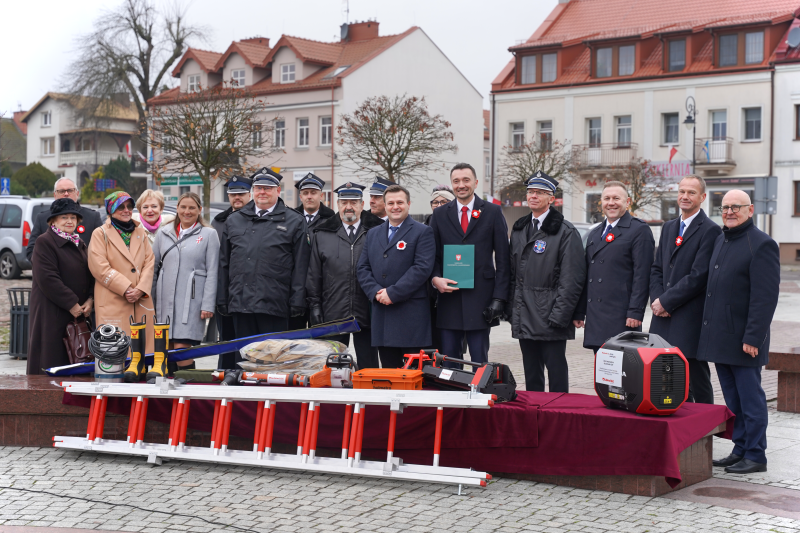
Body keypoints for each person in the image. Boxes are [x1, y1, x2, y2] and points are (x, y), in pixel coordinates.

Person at [699, 190, 780, 475]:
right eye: (725, 207)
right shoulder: (722, 239)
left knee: (751, 400)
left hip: (745, 340)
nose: (730, 212)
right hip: (722, 337)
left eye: (736, 207)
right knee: (734, 400)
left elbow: (764, 298)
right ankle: (740, 448)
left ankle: (756, 455)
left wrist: (753, 337)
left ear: (750, 210)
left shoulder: (762, 244)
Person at [508, 172, 586, 392]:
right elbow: (513, 273)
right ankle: (534, 409)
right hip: (524, 312)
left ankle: (558, 410)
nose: (534, 196)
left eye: (540, 193)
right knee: (531, 372)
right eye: (531, 192)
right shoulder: (520, 228)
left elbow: (572, 279)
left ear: (551, 199)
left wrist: (560, 316)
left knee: (556, 371)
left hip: (550, 315)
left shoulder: (565, 231)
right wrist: (511, 309)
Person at [217, 167, 309, 351]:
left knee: (272, 358)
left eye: (268, 188)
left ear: (278, 190)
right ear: (253, 191)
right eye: (258, 188)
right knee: (243, 359)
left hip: (275, 304)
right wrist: (222, 298)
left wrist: (298, 300)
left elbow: (301, 265)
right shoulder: (234, 220)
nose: (262, 192)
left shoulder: (294, 221)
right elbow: (224, 263)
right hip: (241, 303)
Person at [649, 175, 721, 404]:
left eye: (691, 192)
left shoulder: (710, 230)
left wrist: (666, 302)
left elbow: (699, 276)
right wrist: (657, 300)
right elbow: (657, 268)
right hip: (662, 316)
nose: (685, 196)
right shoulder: (669, 227)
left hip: (689, 317)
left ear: (702, 197)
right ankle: (676, 418)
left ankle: (705, 421)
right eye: (682, 191)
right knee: (667, 377)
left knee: (696, 376)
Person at [429, 163, 510, 365]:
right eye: (456, 181)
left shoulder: (492, 212)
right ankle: (453, 385)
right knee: (449, 359)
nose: (461, 185)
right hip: (449, 297)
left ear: (475, 182)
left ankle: (479, 387)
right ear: (452, 184)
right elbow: (432, 255)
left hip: (481, 298)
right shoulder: (439, 214)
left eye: (466, 180)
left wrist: (499, 298)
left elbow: (503, 259)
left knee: (479, 360)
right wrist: (435, 279)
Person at [357, 184, 435, 368]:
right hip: (383, 316)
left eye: (400, 202)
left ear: (408, 204)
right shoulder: (373, 233)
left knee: (414, 374)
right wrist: (376, 292)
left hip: (411, 316)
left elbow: (422, 268)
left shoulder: (422, 231)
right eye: (390, 203)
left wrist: (393, 293)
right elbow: (362, 267)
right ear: (385, 206)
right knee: (389, 374)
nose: (395, 207)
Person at [306, 182, 384, 368]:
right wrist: (315, 307)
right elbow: (314, 274)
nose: (349, 206)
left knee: (368, 366)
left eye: (354, 202)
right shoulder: (322, 233)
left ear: (362, 204)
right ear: (337, 204)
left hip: (368, 311)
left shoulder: (377, 231)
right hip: (333, 312)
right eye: (344, 202)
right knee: (333, 367)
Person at [574, 181, 654, 352]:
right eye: (607, 198)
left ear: (627, 201)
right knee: (601, 365)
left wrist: (636, 311)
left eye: (616, 198)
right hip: (596, 316)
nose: (611, 203)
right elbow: (587, 275)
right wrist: (580, 311)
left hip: (622, 317)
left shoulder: (639, 230)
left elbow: (642, 275)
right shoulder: (595, 233)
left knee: (623, 366)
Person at [88, 191, 156, 379]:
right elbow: (99, 267)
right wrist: (126, 288)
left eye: (129, 206)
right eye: (121, 207)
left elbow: (150, 262)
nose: (126, 210)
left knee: (142, 349)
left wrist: (140, 289)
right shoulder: (100, 234)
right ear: (110, 210)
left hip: (140, 300)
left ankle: (140, 376)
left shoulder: (140, 232)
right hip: (114, 300)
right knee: (115, 352)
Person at [152, 192, 219, 374]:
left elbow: (213, 271)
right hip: (164, 300)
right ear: (177, 208)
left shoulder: (209, 234)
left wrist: (207, 304)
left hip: (191, 301)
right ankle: (168, 385)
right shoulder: (163, 233)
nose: (187, 211)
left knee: (182, 347)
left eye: (191, 208)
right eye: (183, 207)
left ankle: (188, 384)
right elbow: (153, 268)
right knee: (166, 347)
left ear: (199, 210)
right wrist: (151, 300)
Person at [27, 199, 94, 374]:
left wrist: (90, 299)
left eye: (73, 217)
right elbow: (47, 278)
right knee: (52, 360)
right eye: (64, 217)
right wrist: (71, 303)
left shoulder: (79, 242)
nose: (69, 221)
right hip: (52, 313)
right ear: (53, 221)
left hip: (77, 312)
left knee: (75, 360)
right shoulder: (44, 242)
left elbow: (89, 273)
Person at [212, 175, 251, 369]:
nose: (237, 197)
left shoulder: (256, 219)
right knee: (226, 341)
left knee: (247, 344)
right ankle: (224, 375)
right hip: (224, 290)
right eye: (233, 194)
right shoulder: (218, 222)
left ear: (249, 194)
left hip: (248, 291)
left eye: (241, 194)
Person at [290, 173, 335, 331]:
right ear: (300, 196)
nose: (309, 196)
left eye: (313, 193)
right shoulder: (291, 219)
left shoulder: (332, 220)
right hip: (295, 289)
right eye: (306, 193)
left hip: (322, 289)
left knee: (321, 338)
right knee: (294, 338)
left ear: (321, 195)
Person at [26, 178, 102, 261]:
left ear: (77, 193)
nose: (66, 194)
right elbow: (31, 251)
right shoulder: (43, 218)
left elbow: (102, 249)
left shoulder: (93, 217)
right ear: (55, 195)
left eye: (70, 190)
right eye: (61, 191)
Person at [425, 185, 456, 351]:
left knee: (451, 345)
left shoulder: (458, 225)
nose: (438, 205)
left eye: (443, 201)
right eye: (435, 202)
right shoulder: (423, 227)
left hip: (453, 287)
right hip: (430, 291)